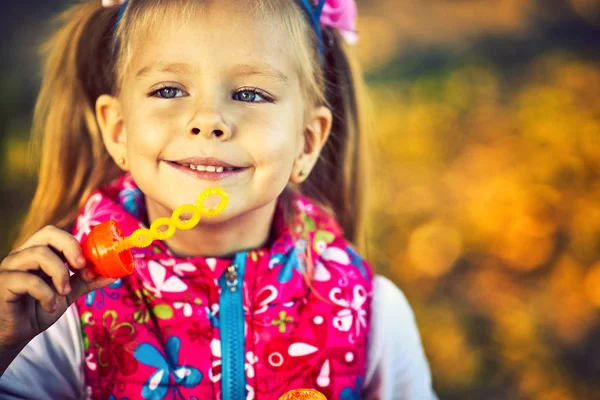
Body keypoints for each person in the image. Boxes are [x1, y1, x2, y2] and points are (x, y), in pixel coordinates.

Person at [0, 0, 437, 398]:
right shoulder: (61, 313)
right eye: (169, 90)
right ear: (119, 131)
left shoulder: (368, 313)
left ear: (306, 143)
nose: (208, 120)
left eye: (250, 94)